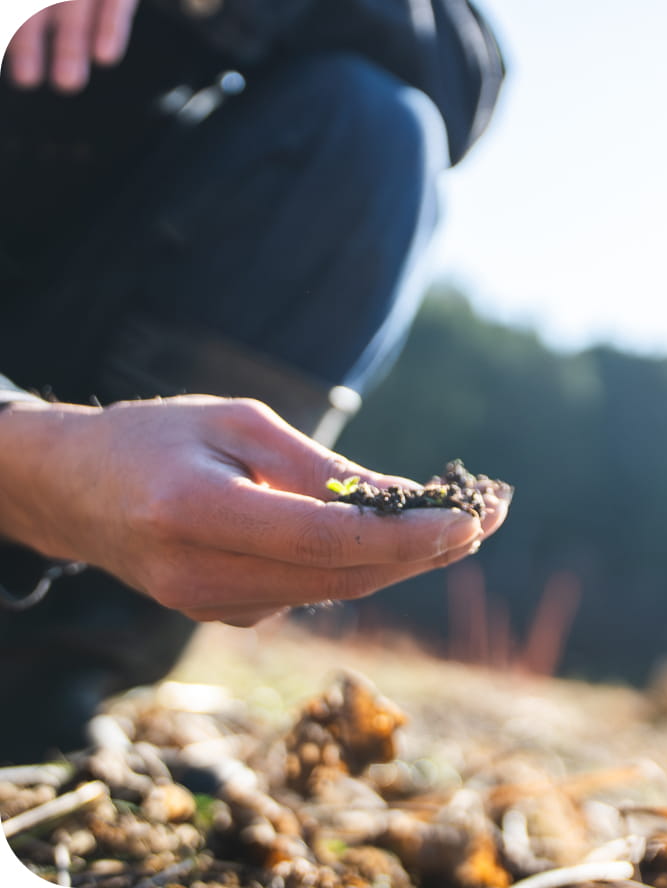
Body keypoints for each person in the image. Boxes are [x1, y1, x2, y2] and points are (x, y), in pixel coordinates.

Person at [0, 0, 509, 761]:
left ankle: (43, 684)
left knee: (370, 124)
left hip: (90, 289)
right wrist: (33, 466)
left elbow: (462, 63)